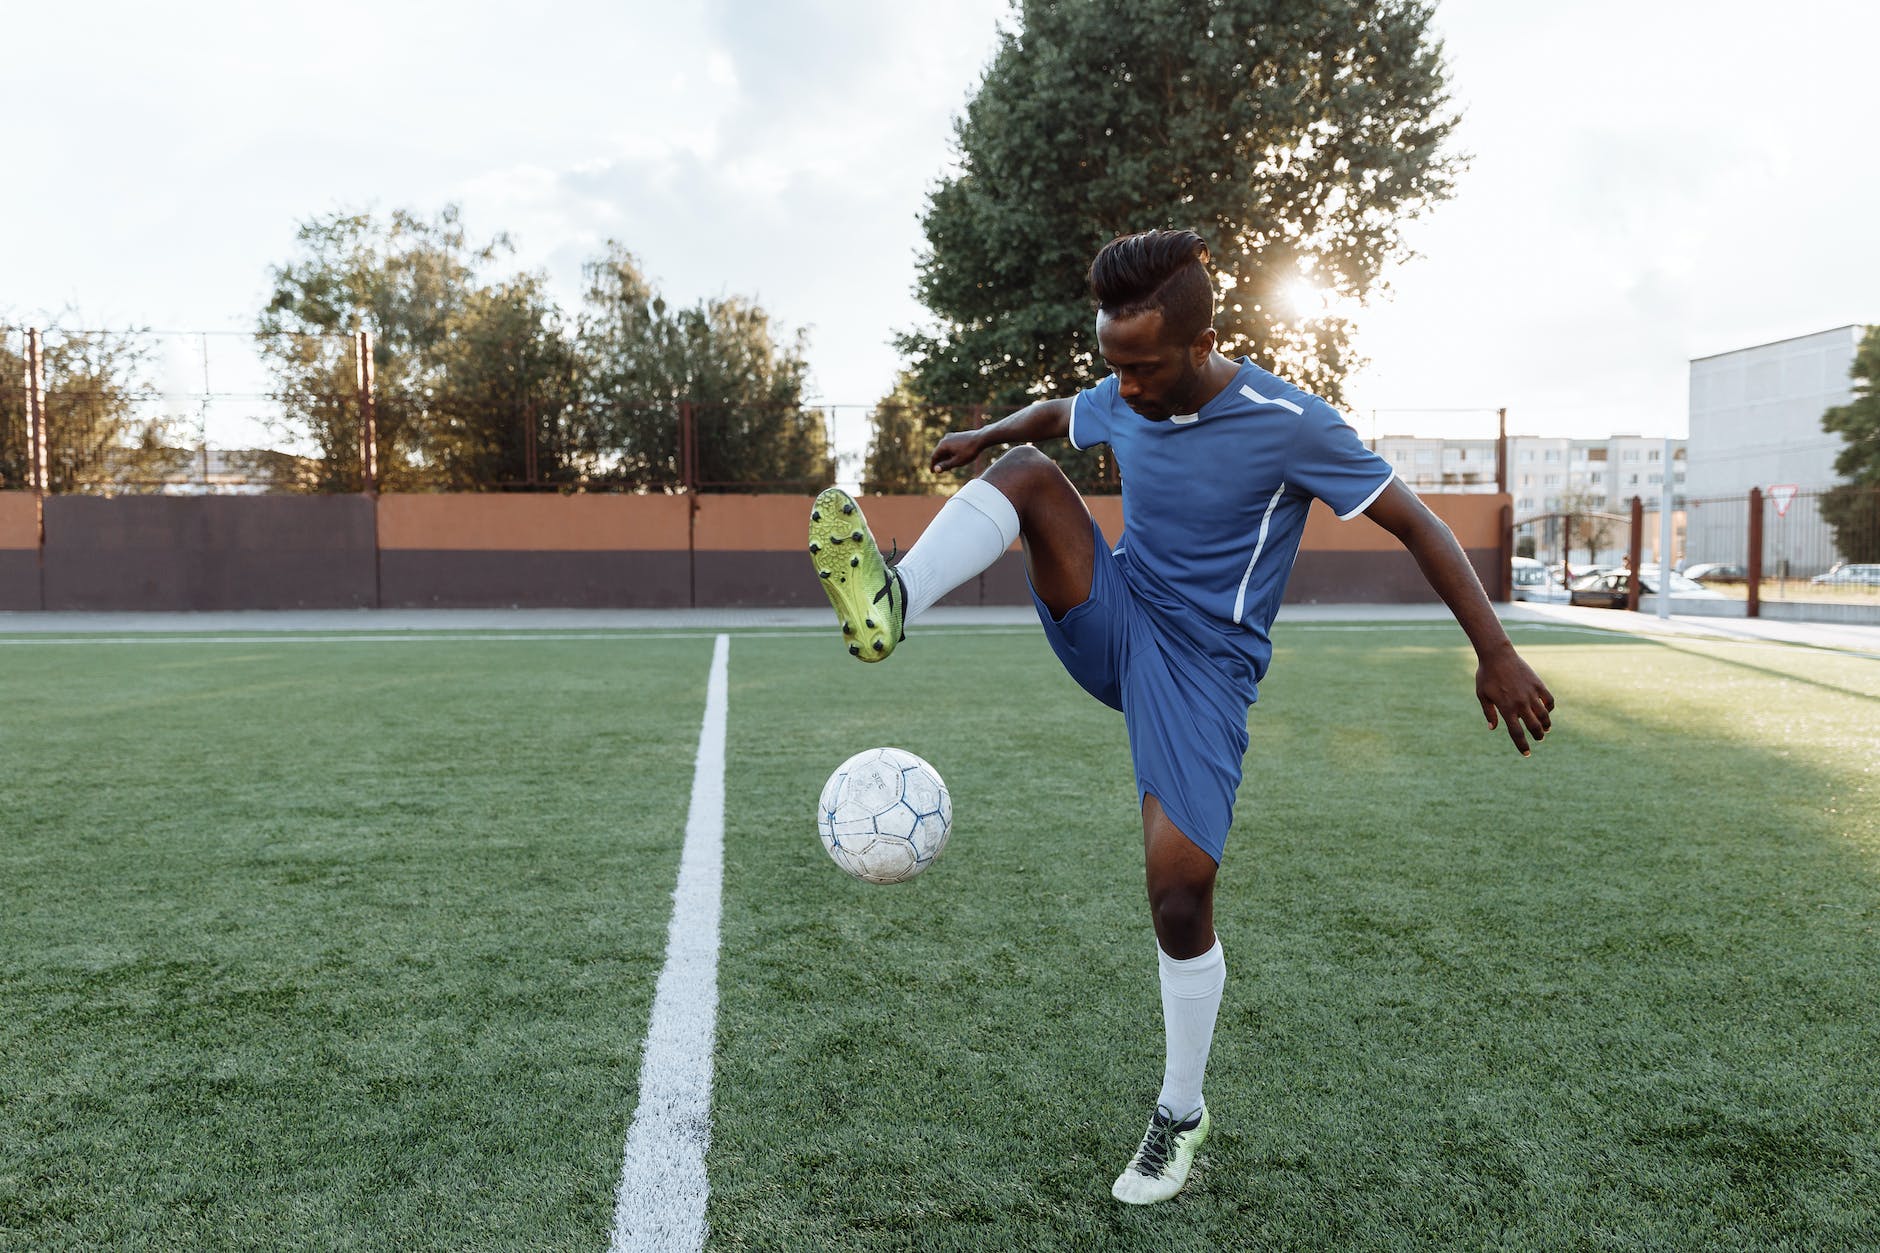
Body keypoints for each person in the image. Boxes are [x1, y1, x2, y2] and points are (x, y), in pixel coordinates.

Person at [808, 229, 1555, 1205]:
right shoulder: (1123, 394)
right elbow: (1058, 411)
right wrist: (988, 436)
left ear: (1199, 346)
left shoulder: (1289, 421)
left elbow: (1412, 518)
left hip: (1203, 673)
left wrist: (1493, 649)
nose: (1119, 388)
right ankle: (890, 607)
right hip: (1114, 615)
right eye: (1109, 362)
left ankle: (1178, 1110)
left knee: (1176, 894)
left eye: (1139, 366)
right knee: (1031, 472)